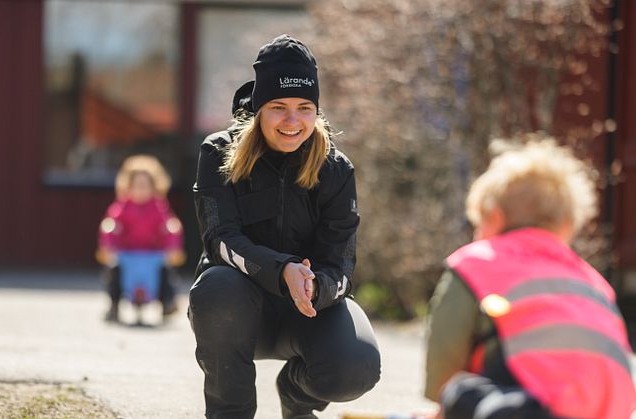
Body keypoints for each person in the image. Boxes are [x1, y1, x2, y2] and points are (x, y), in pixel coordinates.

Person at [189, 34, 381, 419]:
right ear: (259, 108)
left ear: (316, 110)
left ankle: (296, 396)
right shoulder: (218, 153)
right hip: (238, 310)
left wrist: (315, 286)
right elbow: (220, 241)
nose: (292, 121)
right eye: (278, 107)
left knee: (356, 367)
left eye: (304, 108)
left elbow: (340, 262)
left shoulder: (336, 169)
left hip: (309, 310)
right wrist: (282, 271)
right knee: (216, 286)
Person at [424, 137, 636, 419]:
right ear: (566, 227)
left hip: (528, 410)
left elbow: (446, 351)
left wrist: (443, 401)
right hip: (610, 413)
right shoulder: (594, 282)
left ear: (494, 217)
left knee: (461, 392)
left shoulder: (477, 263)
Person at [97, 154, 185, 323]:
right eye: (137, 186)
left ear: (154, 187)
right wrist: (108, 244)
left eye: (145, 186)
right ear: (128, 186)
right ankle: (114, 304)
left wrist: (173, 245)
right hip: (127, 254)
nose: (141, 190)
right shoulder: (122, 206)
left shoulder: (158, 206)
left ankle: (167, 301)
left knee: (166, 271)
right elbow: (111, 224)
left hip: (153, 255)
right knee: (114, 270)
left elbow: (169, 225)